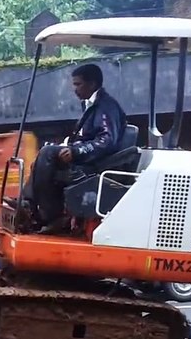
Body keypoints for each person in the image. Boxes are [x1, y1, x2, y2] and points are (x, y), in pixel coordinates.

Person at [22, 63, 127, 234]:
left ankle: (50, 215)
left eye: (78, 84)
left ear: (92, 84)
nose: (74, 89)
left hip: (98, 164)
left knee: (48, 154)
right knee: (46, 152)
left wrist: (76, 151)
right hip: (88, 160)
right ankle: (30, 205)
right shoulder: (90, 105)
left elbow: (106, 141)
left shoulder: (106, 106)